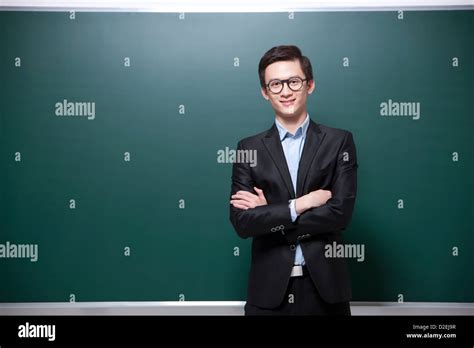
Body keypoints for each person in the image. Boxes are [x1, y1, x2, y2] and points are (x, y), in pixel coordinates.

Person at [229, 45, 358, 315]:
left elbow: (339, 214)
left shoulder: (339, 142)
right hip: (267, 295)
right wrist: (302, 204)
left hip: (326, 294)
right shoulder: (247, 148)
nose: (285, 91)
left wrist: (268, 214)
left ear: (309, 85)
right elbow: (242, 224)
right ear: (265, 92)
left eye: (293, 81)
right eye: (275, 84)